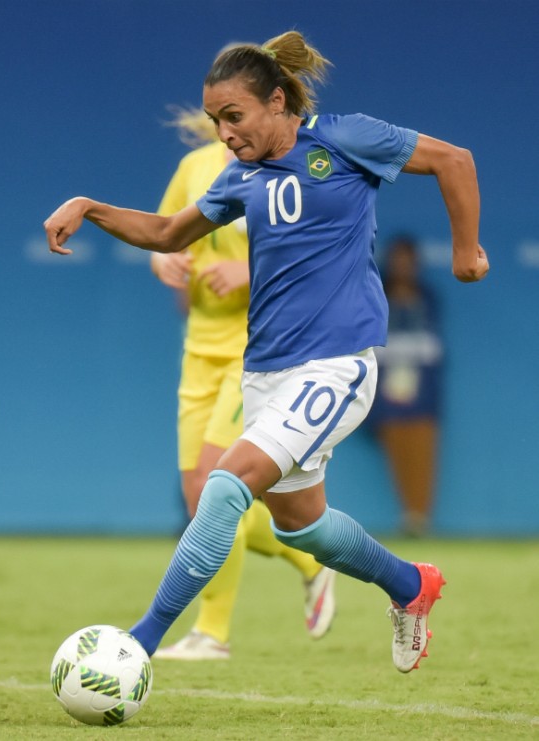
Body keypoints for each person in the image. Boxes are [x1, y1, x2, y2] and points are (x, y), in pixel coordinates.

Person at [44, 31, 488, 673]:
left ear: (278, 101)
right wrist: (89, 206)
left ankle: (137, 644)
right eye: (215, 121)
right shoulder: (239, 180)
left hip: (338, 363)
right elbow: (169, 232)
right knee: (301, 527)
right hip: (267, 373)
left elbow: (455, 161)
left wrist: (466, 252)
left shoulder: (344, 138)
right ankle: (411, 586)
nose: (223, 132)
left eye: (234, 116)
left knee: (224, 484)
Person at [150, 108, 335, 661]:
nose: (228, 121)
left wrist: (247, 272)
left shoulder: (291, 168)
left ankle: (212, 633)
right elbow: (165, 239)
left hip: (258, 349)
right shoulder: (195, 167)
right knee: (199, 500)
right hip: (199, 350)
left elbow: (316, 254)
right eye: (220, 111)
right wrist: (168, 265)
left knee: (215, 485)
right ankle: (310, 558)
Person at [370, 235, 444, 537]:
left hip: (422, 395)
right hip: (386, 397)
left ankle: (420, 518)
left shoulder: (427, 298)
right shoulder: (376, 294)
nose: (402, 266)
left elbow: (433, 347)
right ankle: (408, 515)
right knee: (398, 454)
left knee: (424, 455)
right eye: (397, 259)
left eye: (407, 260)